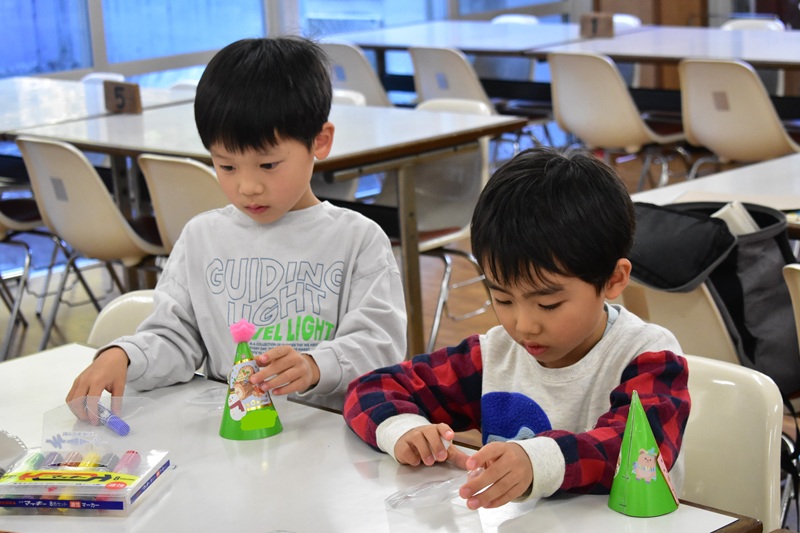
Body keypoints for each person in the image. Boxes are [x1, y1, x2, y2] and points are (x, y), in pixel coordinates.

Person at [67, 36, 407, 413]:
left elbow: (380, 346)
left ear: (320, 141)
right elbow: (174, 337)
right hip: (231, 431)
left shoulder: (357, 240)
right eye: (226, 166)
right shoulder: (202, 238)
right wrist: (124, 355)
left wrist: (315, 366)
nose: (248, 186)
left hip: (324, 427)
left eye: (268, 165)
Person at [344, 147, 690, 510]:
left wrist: (536, 461)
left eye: (548, 304)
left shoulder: (649, 357)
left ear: (614, 279)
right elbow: (370, 388)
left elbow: (639, 453)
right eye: (503, 299)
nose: (523, 326)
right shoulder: (494, 355)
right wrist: (405, 430)